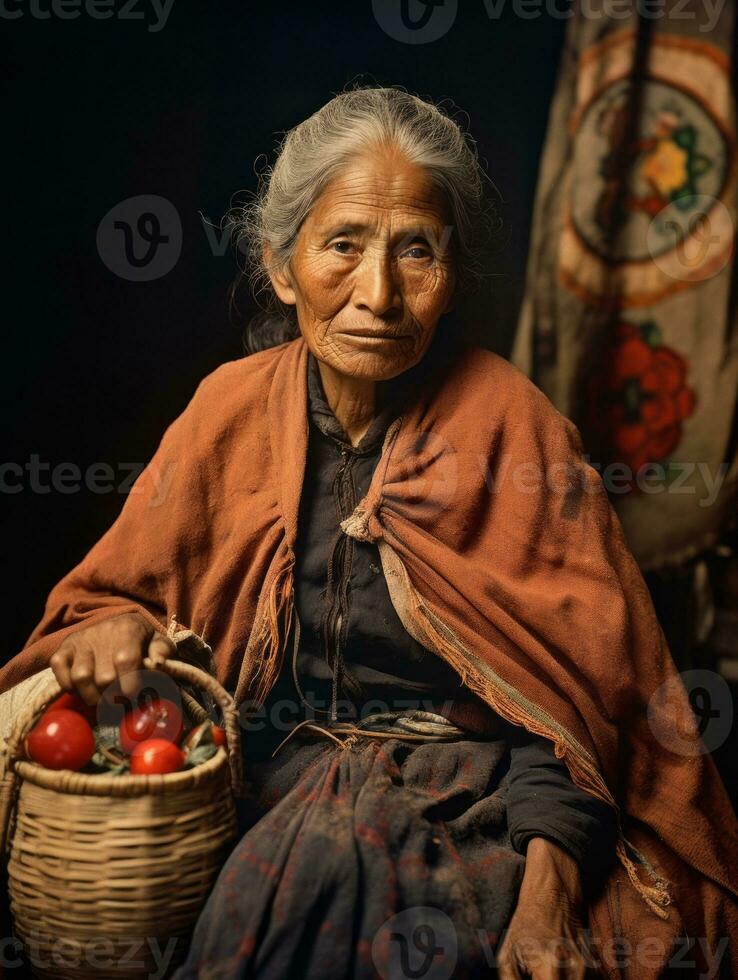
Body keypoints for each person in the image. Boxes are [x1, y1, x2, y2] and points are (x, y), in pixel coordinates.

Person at [0, 86, 736, 979]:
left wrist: (548, 898)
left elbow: (583, 712)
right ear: (282, 265)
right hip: (264, 783)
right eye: (343, 245)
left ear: (450, 275)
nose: (378, 294)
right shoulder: (227, 412)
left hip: (486, 809)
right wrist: (111, 627)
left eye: (415, 251)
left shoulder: (513, 426)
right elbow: (102, 606)